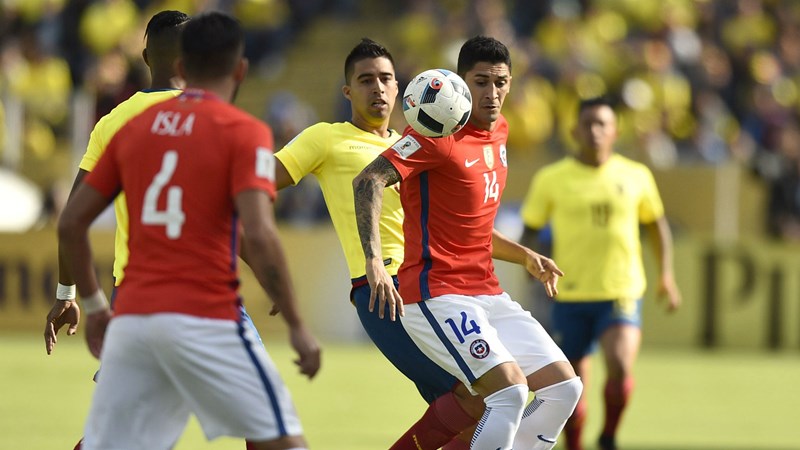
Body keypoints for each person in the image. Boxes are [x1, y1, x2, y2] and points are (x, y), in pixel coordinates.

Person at [58, 11, 320, 450]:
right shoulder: (239, 129)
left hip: (135, 305)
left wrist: (85, 301)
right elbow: (255, 231)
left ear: (150, 58)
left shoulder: (124, 124)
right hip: (206, 305)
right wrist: (294, 317)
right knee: (276, 438)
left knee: (113, 441)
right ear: (237, 70)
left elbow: (70, 222)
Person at [353, 35, 582, 450]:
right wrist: (373, 259)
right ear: (461, 82)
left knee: (565, 389)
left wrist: (525, 255)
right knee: (507, 393)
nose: (492, 94)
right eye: (480, 82)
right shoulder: (435, 132)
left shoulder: (503, 131)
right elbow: (368, 180)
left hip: (489, 292)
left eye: (500, 82)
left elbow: (473, 228)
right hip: (437, 294)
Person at [274, 37, 483, 450]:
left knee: (477, 415)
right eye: (366, 80)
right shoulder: (326, 138)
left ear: (400, 87)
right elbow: (255, 184)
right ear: (348, 91)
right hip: (383, 290)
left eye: (386, 78)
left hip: (436, 288)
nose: (378, 88)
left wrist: (524, 256)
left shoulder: (414, 146)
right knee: (479, 399)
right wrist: (271, 265)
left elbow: (457, 226)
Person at [519, 96, 682, 450]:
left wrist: (666, 275)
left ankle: (608, 437)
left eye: (602, 124)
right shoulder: (552, 178)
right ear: (574, 130)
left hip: (620, 291)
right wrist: (530, 265)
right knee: (572, 388)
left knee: (620, 365)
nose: (595, 131)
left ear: (615, 131)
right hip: (569, 295)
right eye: (588, 124)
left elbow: (657, 226)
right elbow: (529, 231)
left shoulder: (636, 175)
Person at [45, 9, 189, 353]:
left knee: (130, 407)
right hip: (199, 287)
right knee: (251, 400)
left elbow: (72, 217)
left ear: (144, 58)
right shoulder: (213, 118)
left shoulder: (112, 123)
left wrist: (67, 293)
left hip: (134, 295)